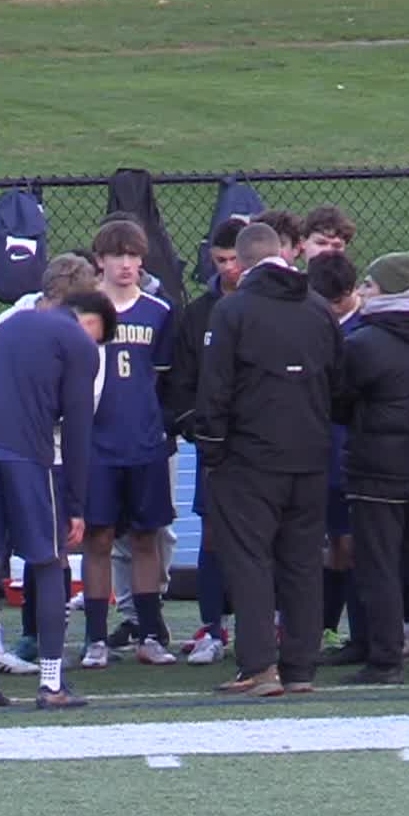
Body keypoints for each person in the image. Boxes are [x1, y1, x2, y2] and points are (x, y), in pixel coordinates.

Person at [195, 221, 343, 696]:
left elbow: (215, 387)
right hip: (311, 454)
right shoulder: (318, 308)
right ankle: (300, 666)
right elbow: (339, 383)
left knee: (250, 559)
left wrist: (212, 447)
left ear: (241, 262)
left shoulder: (232, 310)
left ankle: (260, 664)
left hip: (249, 456)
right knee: (303, 561)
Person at [0, 287, 112, 709]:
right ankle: (51, 683)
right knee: (47, 560)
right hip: (27, 452)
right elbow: (78, 429)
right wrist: (76, 504)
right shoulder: (80, 343)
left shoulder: (10, 324)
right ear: (88, 319)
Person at [333, 252, 409, 683]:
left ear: (385, 290)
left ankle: (386, 658)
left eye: (369, 285)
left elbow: (338, 401)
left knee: (379, 563)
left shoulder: (363, 343)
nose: (362, 292)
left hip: (376, 467)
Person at [79, 220, 179, 670]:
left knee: (145, 537)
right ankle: (96, 637)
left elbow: (165, 379)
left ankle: (149, 633)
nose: (126, 264)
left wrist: (160, 428)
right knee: (98, 538)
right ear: (100, 260)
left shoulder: (158, 312)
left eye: (134, 256)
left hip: (143, 444)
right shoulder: (82, 310)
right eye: (117, 255)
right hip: (95, 445)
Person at [162, 218, 243, 665]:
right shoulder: (197, 315)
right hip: (216, 446)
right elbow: (182, 382)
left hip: (263, 443)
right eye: (220, 260)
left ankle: (268, 625)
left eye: (234, 259)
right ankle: (213, 629)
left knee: (266, 536)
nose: (228, 268)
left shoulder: (273, 307)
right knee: (212, 535)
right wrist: (198, 426)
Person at [306, 250, 369, 662]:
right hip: (319, 448)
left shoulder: (366, 329)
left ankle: (361, 635)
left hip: (353, 451)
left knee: (353, 542)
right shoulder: (313, 322)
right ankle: (325, 627)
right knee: (330, 542)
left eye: (333, 302)